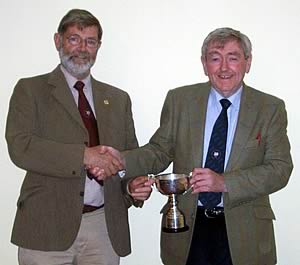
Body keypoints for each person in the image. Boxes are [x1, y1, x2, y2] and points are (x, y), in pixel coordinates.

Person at [123, 27, 293, 265]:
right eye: (215, 58)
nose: (224, 67)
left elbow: (280, 169)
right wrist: (119, 162)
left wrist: (224, 182)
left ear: (248, 62)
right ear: (204, 64)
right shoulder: (179, 100)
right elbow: (159, 151)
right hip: (188, 229)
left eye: (233, 58)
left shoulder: (269, 108)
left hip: (246, 231)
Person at [5, 9, 152, 265]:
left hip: (103, 228)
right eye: (74, 39)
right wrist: (84, 156)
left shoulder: (118, 99)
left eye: (90, 41)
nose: (82, 48)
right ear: (58, 41)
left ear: (98, 47)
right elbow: (21, 147)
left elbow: (127, 158)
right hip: (45, 228)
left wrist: (131, 187)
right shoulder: (30, 90)